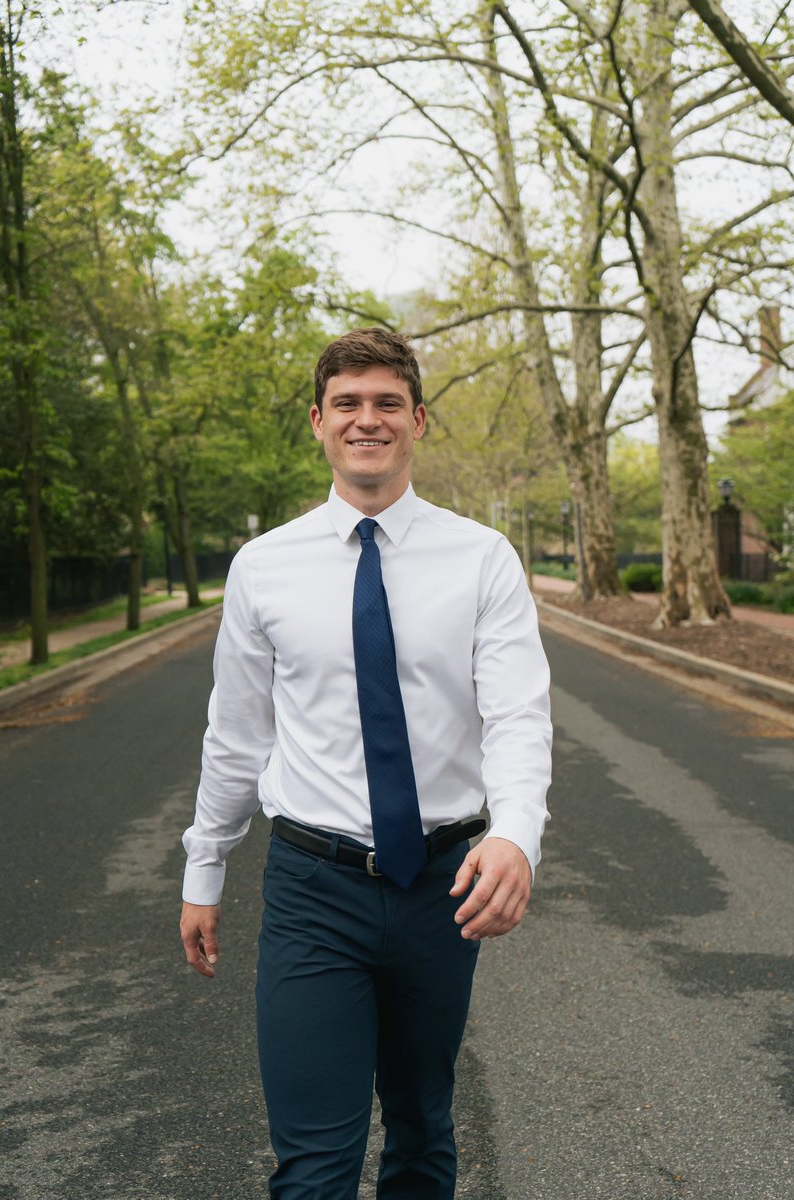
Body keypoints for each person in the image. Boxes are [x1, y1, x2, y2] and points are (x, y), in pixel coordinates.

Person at [179, 327, 552, 1200]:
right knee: (314, 1166)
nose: (367, 420)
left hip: (442, 886)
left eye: (387, 403)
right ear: (318, 422)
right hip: (314, 887)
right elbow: (236, 732)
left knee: (423, 1130)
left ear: (418, 421)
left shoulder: (483, 558)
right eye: (347, 403)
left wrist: (517, 837)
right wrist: (205, 867)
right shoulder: (263, 567)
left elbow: (518, 715)